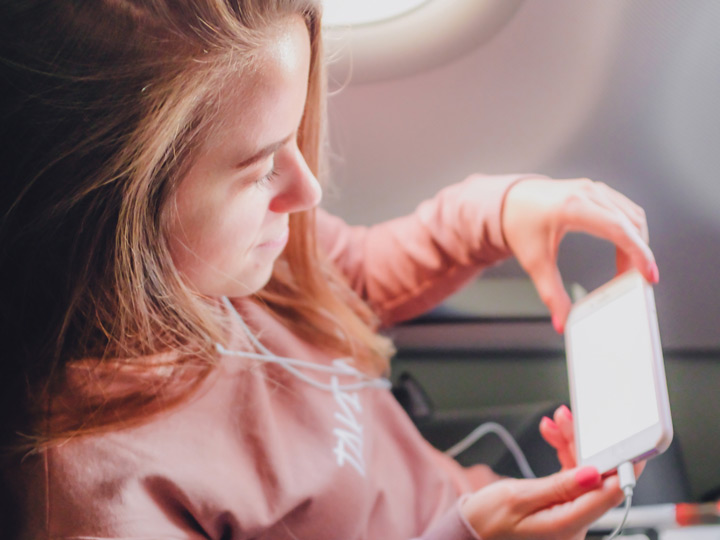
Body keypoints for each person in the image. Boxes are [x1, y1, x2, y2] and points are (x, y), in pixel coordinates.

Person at [0, 1, 654, 538]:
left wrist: (500, 213)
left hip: (479, 498)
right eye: (260, 168)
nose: (307, 190)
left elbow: (354, 276)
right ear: (108, 210)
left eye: (294, 140)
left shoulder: (243, 254)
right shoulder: (99, 500)